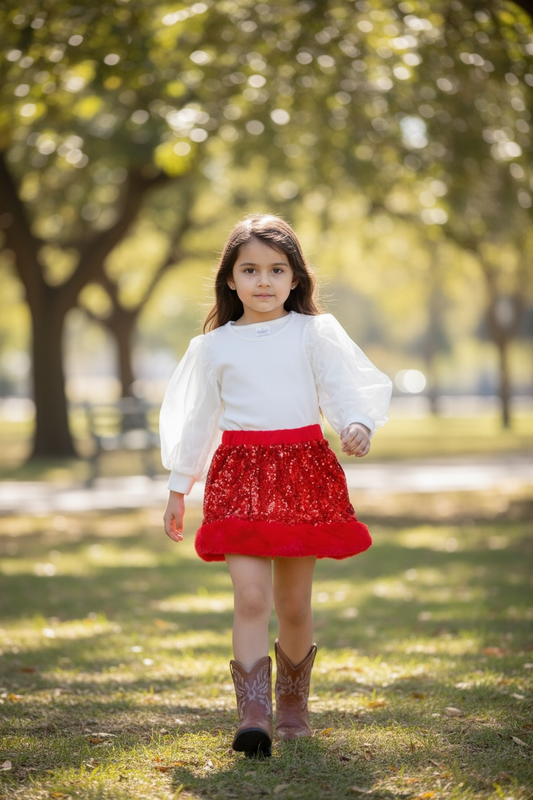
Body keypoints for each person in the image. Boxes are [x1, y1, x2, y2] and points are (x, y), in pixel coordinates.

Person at [160, 213, 392, 758]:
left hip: (300, 475)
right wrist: (178, 487)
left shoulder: (314, 333)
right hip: (239, 477)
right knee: (250, 597)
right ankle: (254, 715)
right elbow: (196, 420)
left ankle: (291, 708)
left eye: (276, 269)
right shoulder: (212, 347)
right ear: (230, 278)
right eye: (250, 270)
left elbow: (346, 389)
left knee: (292, 603)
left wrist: (358, 424)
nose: (263, 281)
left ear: (294, 278)